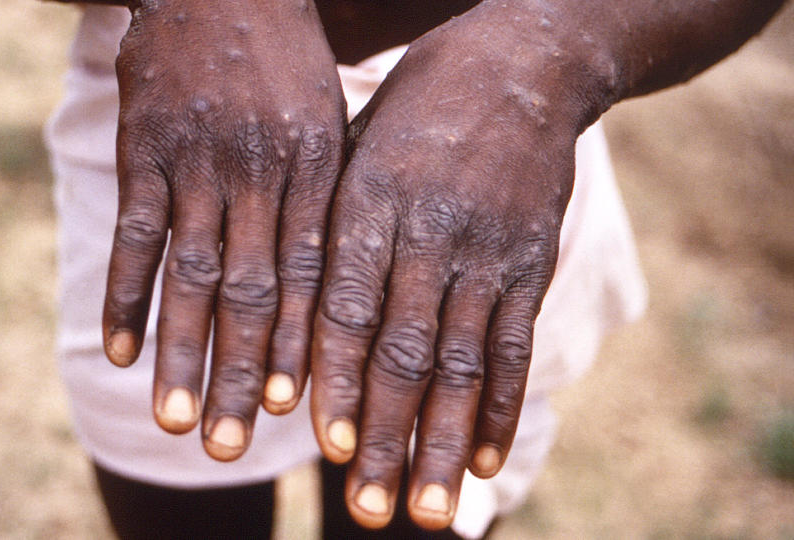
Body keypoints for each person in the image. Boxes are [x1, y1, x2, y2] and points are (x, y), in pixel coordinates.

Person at [44, 0, 784, 537]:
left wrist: (553, 49)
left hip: (488, 149)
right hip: (193, 123)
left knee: (415, 497)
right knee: (174, 489)